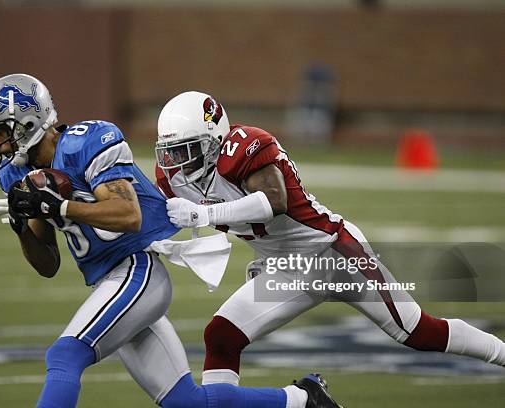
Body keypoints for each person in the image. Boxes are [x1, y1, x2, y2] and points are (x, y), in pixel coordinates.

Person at [0, 74, 344, 408]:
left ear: (27, 121)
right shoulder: (16, 174)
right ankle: (303, 400)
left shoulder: (86, 142)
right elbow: (48, 265)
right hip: (108, 281)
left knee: (65, 355)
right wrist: (22, 226)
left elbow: (128, 215)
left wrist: (62, 206)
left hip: (137, 271)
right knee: (187, 402)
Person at [155, 91, 505, 387]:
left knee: (416, 332)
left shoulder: (246, 146)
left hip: (335, 254)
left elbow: (272, 203)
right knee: (221, 336)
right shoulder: (173, 176)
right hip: (287, 269)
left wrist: (205, 214)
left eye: (188, 149)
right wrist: (156, 241)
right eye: (171, 151)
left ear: (215, 139)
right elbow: (156, 217)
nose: (176, 161)